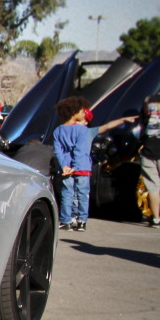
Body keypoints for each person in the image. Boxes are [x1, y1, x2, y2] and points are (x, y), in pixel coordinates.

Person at [52, 96, 137, 231]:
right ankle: (82, 221)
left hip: (65, 168)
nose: (84, 112)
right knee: (82, 194)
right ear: (74, 113)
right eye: (82, 111)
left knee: (67, 194)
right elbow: (104, 128)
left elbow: (58, 151)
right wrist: (123, 120)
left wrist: (64, 166)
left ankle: (66, 220)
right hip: (82, 166)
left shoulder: (58, 131)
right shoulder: (84, 131)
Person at [139, 71, 160, 227]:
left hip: (149, 148)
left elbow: (143, 123)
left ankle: (155, 218)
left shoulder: (149, 100)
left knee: (153, 186)